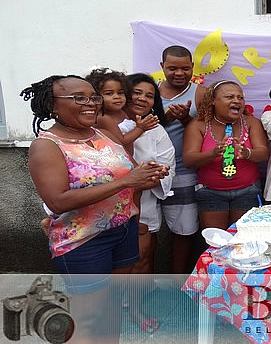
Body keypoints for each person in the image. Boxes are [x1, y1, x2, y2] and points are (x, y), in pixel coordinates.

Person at [21, 75, 168, 341]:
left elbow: (128, 173)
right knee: (88, 319)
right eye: (79, 98)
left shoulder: (102, 133)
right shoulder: (47, 145)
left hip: (122, 233)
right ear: (53, 105)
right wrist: (127, 181)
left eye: (93, 97)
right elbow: (57, 200)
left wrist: (147, 174)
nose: (90, 104)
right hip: (84, 242)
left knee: (111, 311)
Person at [121, 73, 176, 333]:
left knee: (143, 256)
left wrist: (152, 177)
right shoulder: (107, 123)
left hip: (144, 202)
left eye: (150, 95)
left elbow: (167, 164)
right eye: (137, 92)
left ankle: (136, 306)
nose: (143, 98)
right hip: (109, 204)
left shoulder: (156, 129)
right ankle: (113, 301)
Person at [183, 80, 269, 230]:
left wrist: (248, 153)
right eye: (229, 97)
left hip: (247, 191)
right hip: (211, 193)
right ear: (213, 101)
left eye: (240, 97)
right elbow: (189, 159)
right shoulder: (199, 125)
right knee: (216, 242)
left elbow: (263, 153)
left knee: (242, 239)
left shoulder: (251, 122)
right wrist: (213, 153)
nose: (236, 101)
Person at [158, 45, 206, 273]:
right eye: (172, 68)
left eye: (185, 68)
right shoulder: (150, 92)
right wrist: (165, 118)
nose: (179, 73)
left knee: (184, 231)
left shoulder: (200, 93)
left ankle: (179, 280)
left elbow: (208, 133)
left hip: (184, 172)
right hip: (147, 172)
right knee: (143, 231)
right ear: (162, 67)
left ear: (192, 68)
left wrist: (187, 119)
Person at [85, 68, 159, 154]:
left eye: (120, 93)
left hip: (128, 157)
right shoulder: (104, 118)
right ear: (96, 97)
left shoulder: (120, 112)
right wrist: (140, 128)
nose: (117, 97)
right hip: (116, 159)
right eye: (109, 93)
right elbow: (122, 141)